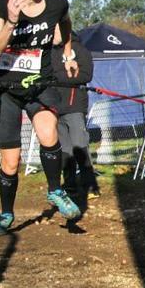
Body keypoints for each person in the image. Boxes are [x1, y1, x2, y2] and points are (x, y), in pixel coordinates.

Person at [0, 0, 81, 235]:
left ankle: (55, 190)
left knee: (48, 131)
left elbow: (65, 23)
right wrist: (12, 22)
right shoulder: (0, 2)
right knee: (11, 163)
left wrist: (68, 53)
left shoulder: (57, 2)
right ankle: (5, 214)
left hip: (40, 84)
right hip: (7, 91)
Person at [51, 36, 100, 203]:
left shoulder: (80, 50)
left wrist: (57, 76)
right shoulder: (51, 52)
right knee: (65, 151)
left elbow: (85, 75)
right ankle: (70, 186)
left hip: (75, 107)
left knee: (80, 146)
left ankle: (91, 185)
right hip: (56, 108)